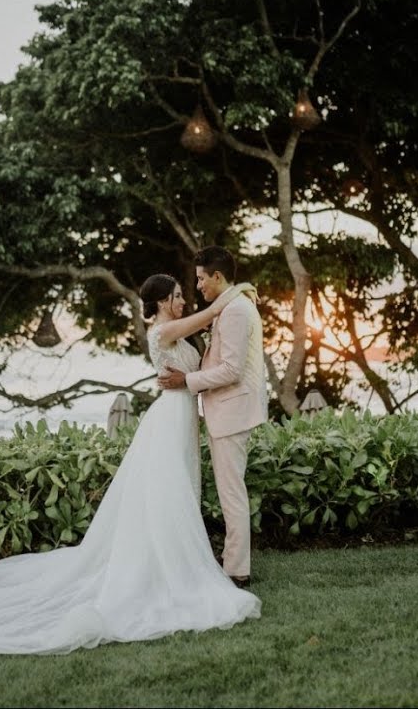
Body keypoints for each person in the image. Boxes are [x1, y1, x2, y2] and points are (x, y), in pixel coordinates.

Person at [0, 274, 260, 654]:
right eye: (180, 294)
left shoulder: (174, 330)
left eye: (189, 292)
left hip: (181, 418)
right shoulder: (162, 331)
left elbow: (201, 357)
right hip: (167, 421)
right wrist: (234, 294)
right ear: (164, 301)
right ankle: (169, 571)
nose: (186, 299)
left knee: (174, 494)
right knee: (168, 494)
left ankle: (176, 563)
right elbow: (203, 321)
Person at [158, 246, 268, 589]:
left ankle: (237, 570)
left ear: (217, 276)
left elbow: (232, 370)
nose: (199, 286)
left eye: (202, 279)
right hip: (228, 411)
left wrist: (186, 381)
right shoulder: (232, 306)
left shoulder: (235, 310)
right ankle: (234, 564)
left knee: (231, 492)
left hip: (232, 412)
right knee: (230, 490)